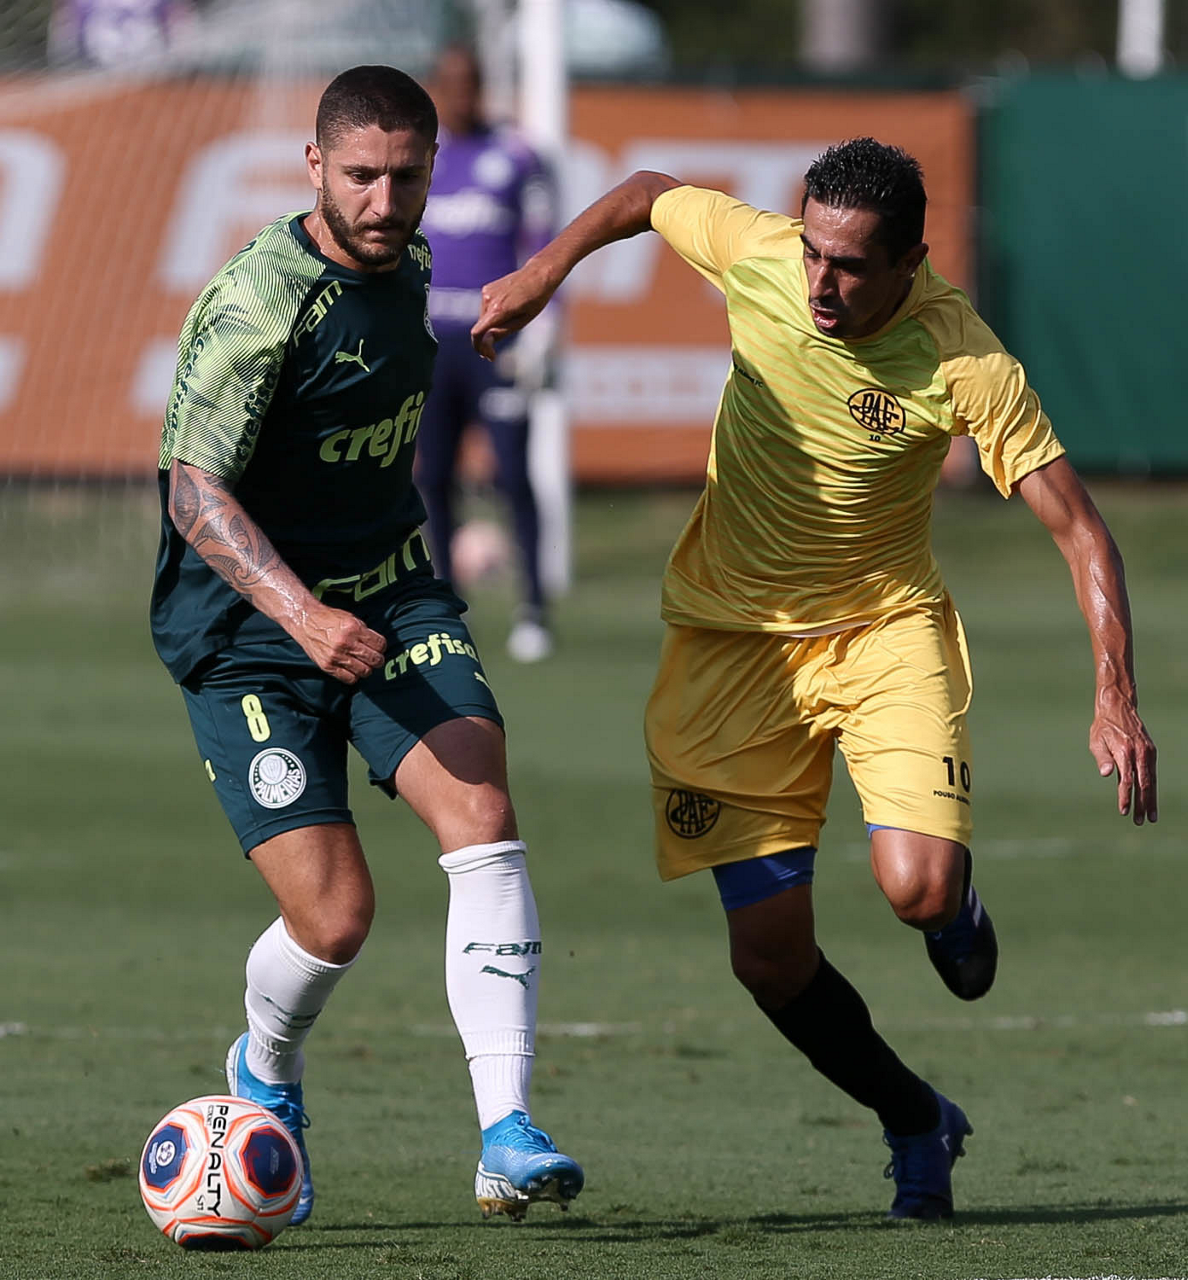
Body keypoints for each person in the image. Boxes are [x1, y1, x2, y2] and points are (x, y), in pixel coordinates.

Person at [471, 139, 1158, 1220]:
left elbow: (1080, 530)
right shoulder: (761, 252)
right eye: (813, 254)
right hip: (731, 647)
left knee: (916, 888)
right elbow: (647, 195)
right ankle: (916, 1117)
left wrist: (1115, 693)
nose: (820, 282)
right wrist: (539, 273)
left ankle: (951, 902)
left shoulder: (963, 357)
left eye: (849, 266)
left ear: (911, 263)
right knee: (768, 958)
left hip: (885, 633)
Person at [149, 64, 583, 1226]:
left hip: (391, 596)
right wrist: (301, 614)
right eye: (359, 176)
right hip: (248, 634)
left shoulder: (417, 266)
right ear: (314, 166)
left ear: (434, 168)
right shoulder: (259, 302)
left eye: (405, 176)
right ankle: (263, 1063)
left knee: (482, 809)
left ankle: (506, 1131)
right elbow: (192, 491)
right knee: (336, 916)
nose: (384, 201)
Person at [417, 45, 556, 663]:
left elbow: (544, 245)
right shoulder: (420, 158)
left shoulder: (517, 156)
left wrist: (545, 330)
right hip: (431, 343)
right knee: (432, 477)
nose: (460, 94)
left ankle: (534, 607)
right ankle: (446, 605)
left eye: (469, 82)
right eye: (449, 83)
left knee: (513, 474)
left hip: (498, 343)